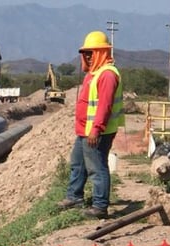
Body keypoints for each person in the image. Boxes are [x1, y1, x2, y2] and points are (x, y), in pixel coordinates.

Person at [57, 31, 124, 219]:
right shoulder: (94, 74)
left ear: (101, 53)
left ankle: (100, 206)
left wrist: (96, 129)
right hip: (85, 131)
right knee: (78, 163)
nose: (87, 56)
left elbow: (104, 106)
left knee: (97, 167)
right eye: (85, 53)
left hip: (97, 132)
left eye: (91, 52)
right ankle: (74, 196)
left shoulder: (108, 75)